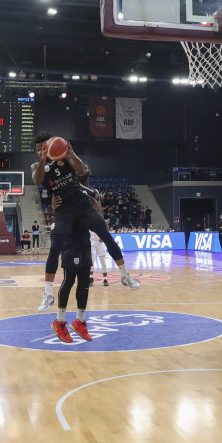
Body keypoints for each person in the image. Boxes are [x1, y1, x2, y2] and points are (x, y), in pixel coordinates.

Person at [31, 132, 138, 312]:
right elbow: (38, 180)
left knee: (106, 235)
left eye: (43, 148)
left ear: (50, 146)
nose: (40, 152)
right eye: (38, 150)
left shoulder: (65, 158)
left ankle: (125, 275)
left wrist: (72, 155)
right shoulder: (37, 165)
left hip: (82, 204)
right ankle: (48, 294)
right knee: (55, 247)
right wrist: (43, 159)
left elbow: (82, 171)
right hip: (63, 210)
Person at [49, 194, 95, 343]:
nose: (85, 168)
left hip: (85, 243)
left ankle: (79, 321)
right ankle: (59, 321)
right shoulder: (66, 188)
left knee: (84, 283)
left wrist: (95, 202)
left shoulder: (91, 192)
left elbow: (98, 216)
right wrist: (54, 208)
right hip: (70, 242)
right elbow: (56, 211)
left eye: (87, 167)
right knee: (68, 281)